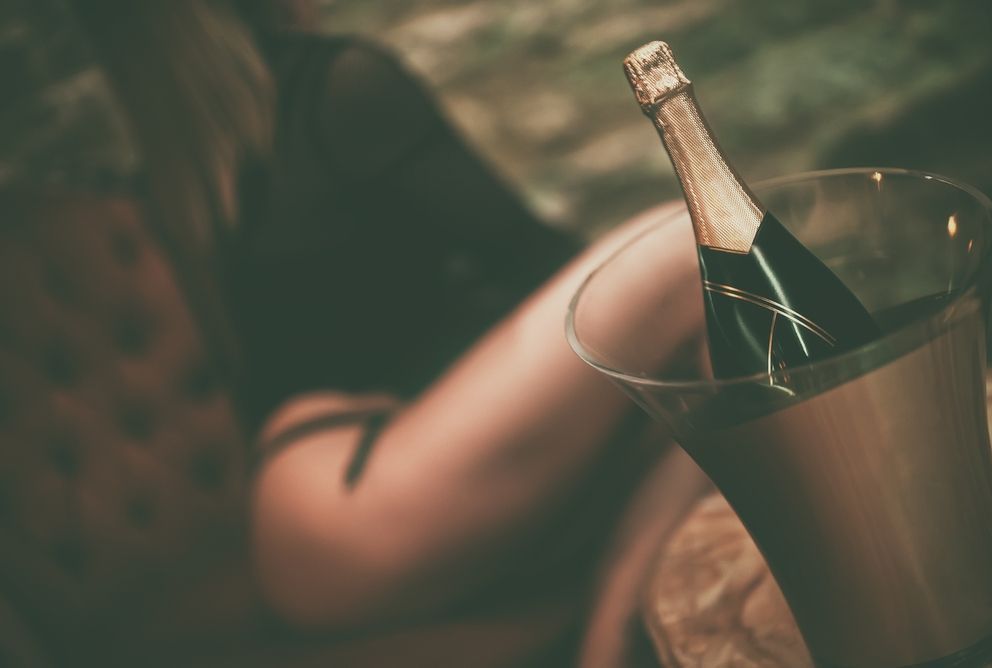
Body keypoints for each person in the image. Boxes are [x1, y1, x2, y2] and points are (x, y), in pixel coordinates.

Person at [4, 0, 708, 664]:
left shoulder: (192, 146)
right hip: (354, 484)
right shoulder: (338, 85)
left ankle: (616, 640)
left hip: (311, 505)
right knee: (692, 248)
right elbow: (547, 272)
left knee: (705, 393)